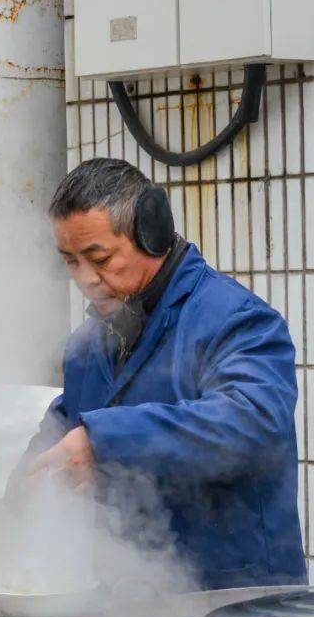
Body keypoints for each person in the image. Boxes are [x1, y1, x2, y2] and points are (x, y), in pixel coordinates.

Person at [19, 156, 306, 589]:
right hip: (130, 604)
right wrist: (27, 482)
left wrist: (103, 442)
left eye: (100, 258)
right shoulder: (90, 344)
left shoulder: (237, 321)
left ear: (151, 234)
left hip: (236, 606)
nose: (86, 279)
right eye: (70, 261)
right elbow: (64, 429)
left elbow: (253, 423)